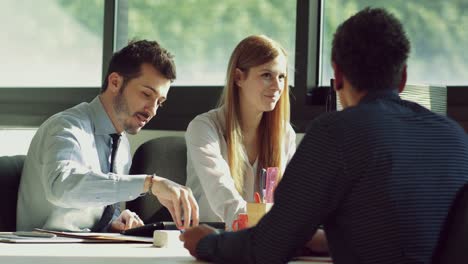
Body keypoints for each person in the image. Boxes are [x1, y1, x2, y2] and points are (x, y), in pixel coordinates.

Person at [180, 7, 468, 264]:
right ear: (403, 77)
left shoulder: (334, 133)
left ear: (338, 76)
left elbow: (268, 249)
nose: (276, 86)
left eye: (281, 77)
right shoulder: (456, 138)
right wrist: (322, 240)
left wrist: (207, 243)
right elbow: (406, 236)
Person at [17, 40, 199, 232]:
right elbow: (61, 187)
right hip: (44, 253)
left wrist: (115, 220)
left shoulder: (122, 145)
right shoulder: (66, 126)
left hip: (88, 250)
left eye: (159, 102)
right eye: (146, 94)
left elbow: (91, 204)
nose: (152, 110)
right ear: (115, 82)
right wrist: (149, 183)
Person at [184, 35, 296, 228]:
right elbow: (224, 196)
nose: (278, 86)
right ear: (238, 77)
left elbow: (291, 199)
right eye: (266, 75)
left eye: (281, 77)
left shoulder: (285, 133)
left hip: (260, 242)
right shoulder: (203, 128)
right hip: (209, 239)